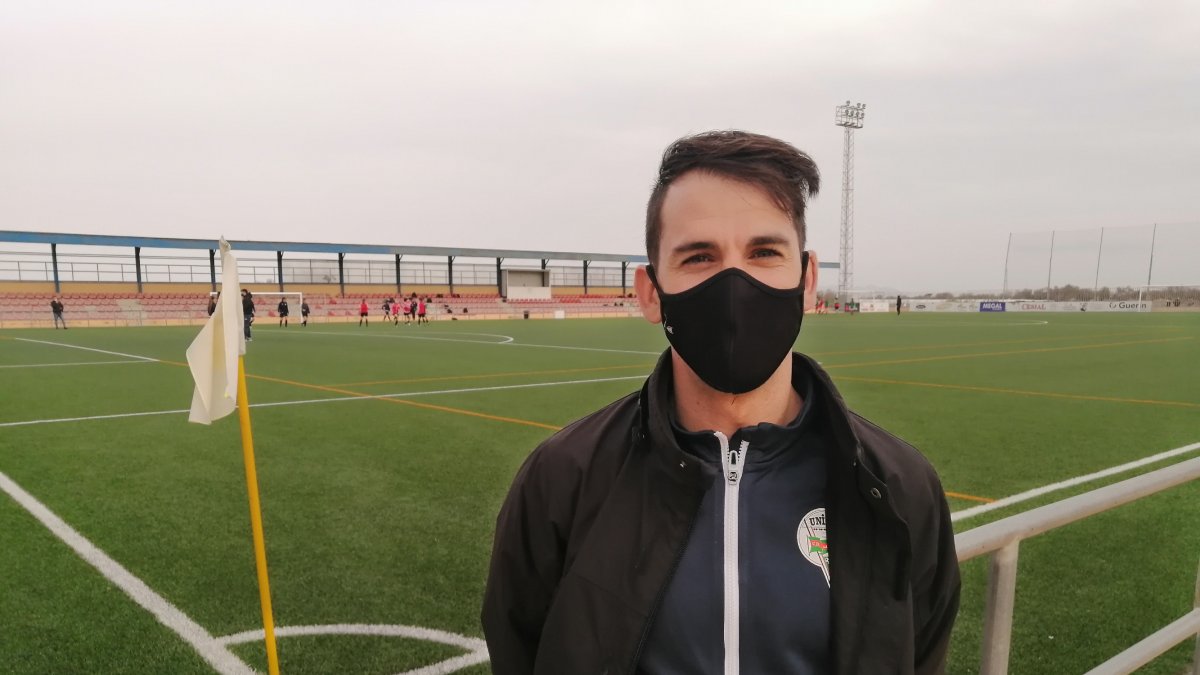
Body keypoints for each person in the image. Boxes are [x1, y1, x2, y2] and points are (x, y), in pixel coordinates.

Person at [482, 130, 960, 675]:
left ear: (807, 281)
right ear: (650, 292)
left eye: (764, 252)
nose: (735, 283)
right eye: (699, 257)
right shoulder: (563, 479)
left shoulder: (897, 486)